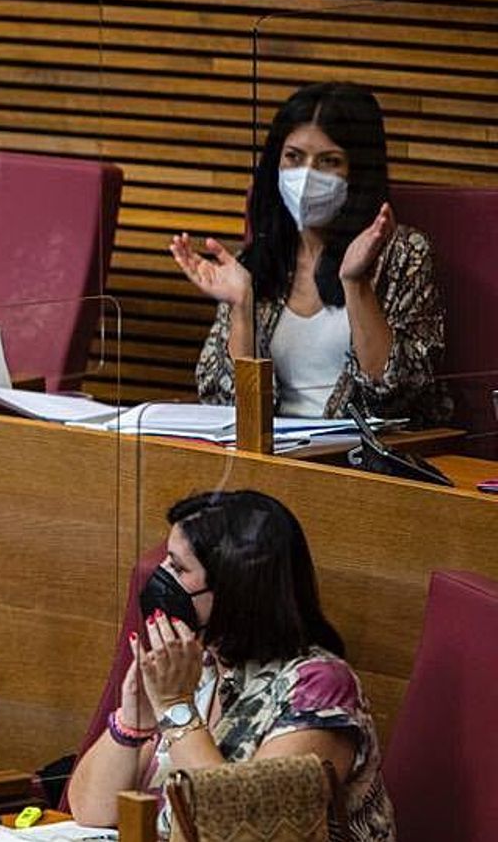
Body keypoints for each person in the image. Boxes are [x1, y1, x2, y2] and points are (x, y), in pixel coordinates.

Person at [67, 490, 394, 841]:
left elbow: (242, 832)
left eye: (177, 567)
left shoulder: (320, 689)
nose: (160, 577)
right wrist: (134, 723)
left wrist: (177, 710)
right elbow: (91, 812)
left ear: (234, 588)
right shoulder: (198, 663)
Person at [170, 82, 446, 423]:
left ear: (358, 171)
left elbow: (395, 395)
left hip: (361, 462)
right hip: (275, 458)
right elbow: (229, 408)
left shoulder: (402, 253)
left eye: (329, 161)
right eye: (294, 158)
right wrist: (241, 307)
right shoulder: (255, 263)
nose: (306, 176)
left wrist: (354, 281)